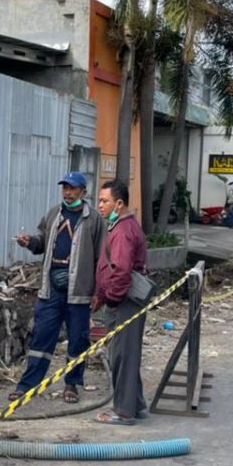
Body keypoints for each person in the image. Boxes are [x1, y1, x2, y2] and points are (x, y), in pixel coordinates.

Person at [11, 172, 107, 404]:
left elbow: (101, 257)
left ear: (83, 192)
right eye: (65, 187)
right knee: (42, 336)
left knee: (77, 339)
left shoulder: (93, 219)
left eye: (72, 188)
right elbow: (42, 241)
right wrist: (30, 242)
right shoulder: (55, 213)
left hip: (79, 288)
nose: (67, 192)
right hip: (52, 286)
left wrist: (98, 291)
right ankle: (28, 385)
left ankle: (72, 384)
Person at [91, 180, 149, 426]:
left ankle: (124, 411)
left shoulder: (123, 231)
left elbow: (121, 270)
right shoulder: (121, 226)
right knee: (127, 353)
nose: (100, 205)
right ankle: (135, 403)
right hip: (123, 299)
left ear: (120, 203)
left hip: (124, 301)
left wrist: (110, 299)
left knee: (122, 356)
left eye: (104, 201)